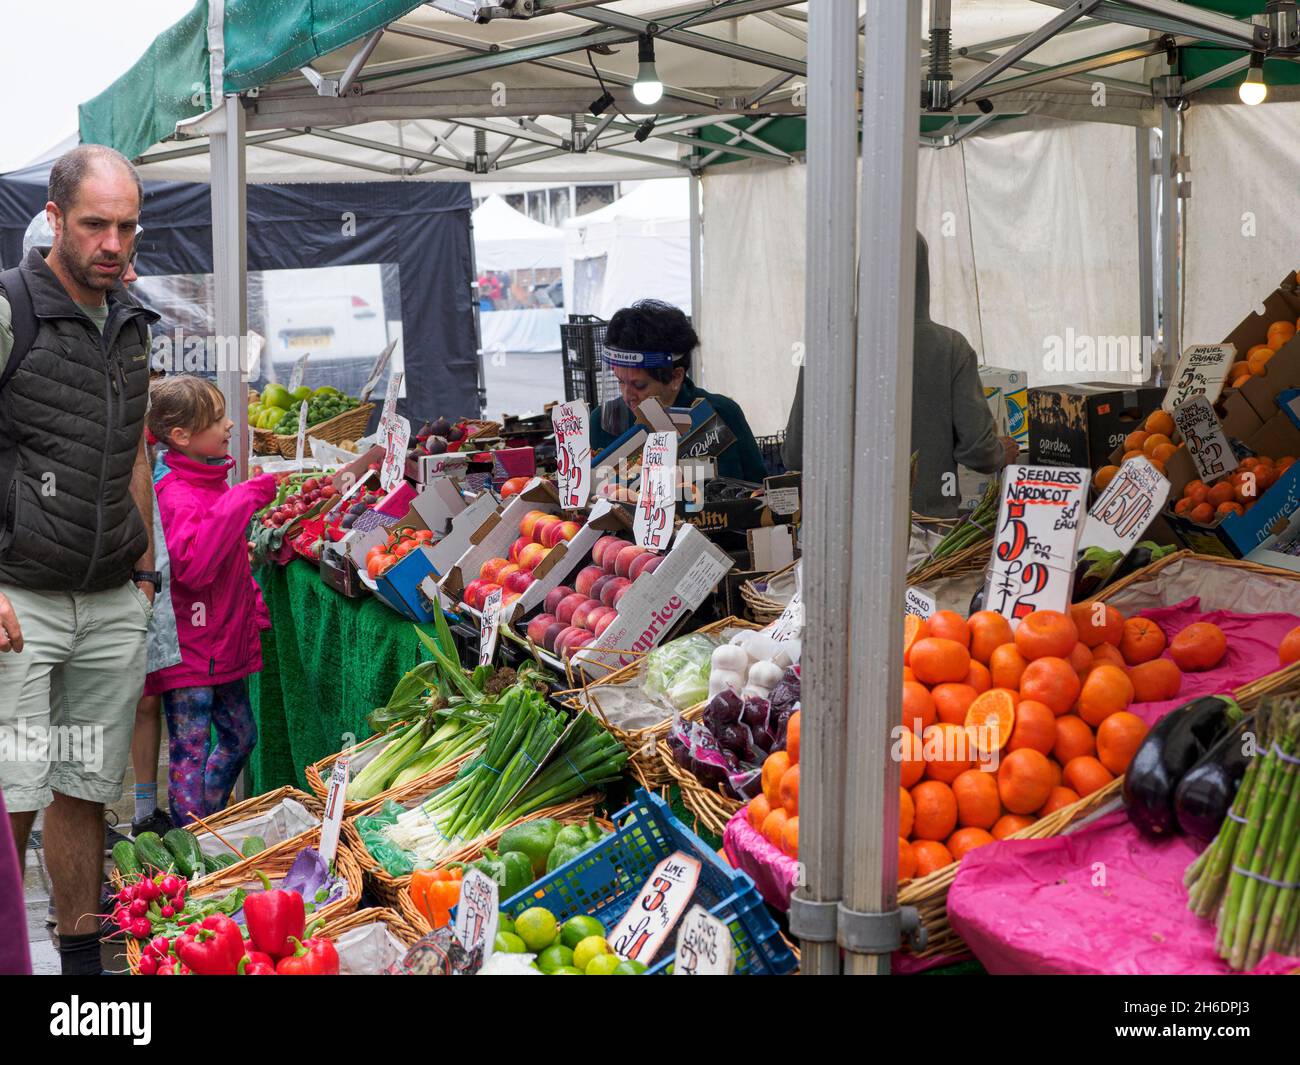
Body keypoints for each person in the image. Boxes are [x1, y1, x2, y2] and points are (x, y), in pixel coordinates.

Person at [0, 145, 159, 976]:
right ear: (56, 219)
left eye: (127, 226)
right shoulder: (9, 305)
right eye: (96, 224)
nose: (114, 242)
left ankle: (81, 964)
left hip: (108, 597)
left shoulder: (129, 318)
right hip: (18, 597)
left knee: (86, 784)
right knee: (13, 789)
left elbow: (133, 447)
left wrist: (146, 570)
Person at [782, 234, 1017, 516]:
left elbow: (796, 454)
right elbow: (978, 451)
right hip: (928, 533)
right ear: (921, 275)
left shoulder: (823, 345)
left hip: (842, 534)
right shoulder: (951, 348)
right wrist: (1002, 452)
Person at [145, 376, 277, 828]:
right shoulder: (175, 492)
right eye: (217, 419)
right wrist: (244, 498)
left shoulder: (209, 479)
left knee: (241, 736)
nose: (229, 424)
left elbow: (221, 556)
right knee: (189, 749)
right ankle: (193, 844)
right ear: (181, 436)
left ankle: (208, 819)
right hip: (191, 648)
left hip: (222, 644)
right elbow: (194, 567)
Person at [589, 299, 768, 483]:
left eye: (640, 385)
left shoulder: (723, 413)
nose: (627, 395)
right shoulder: (600, 425)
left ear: (675, 377)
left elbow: (759, 490)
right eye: (620, 382)